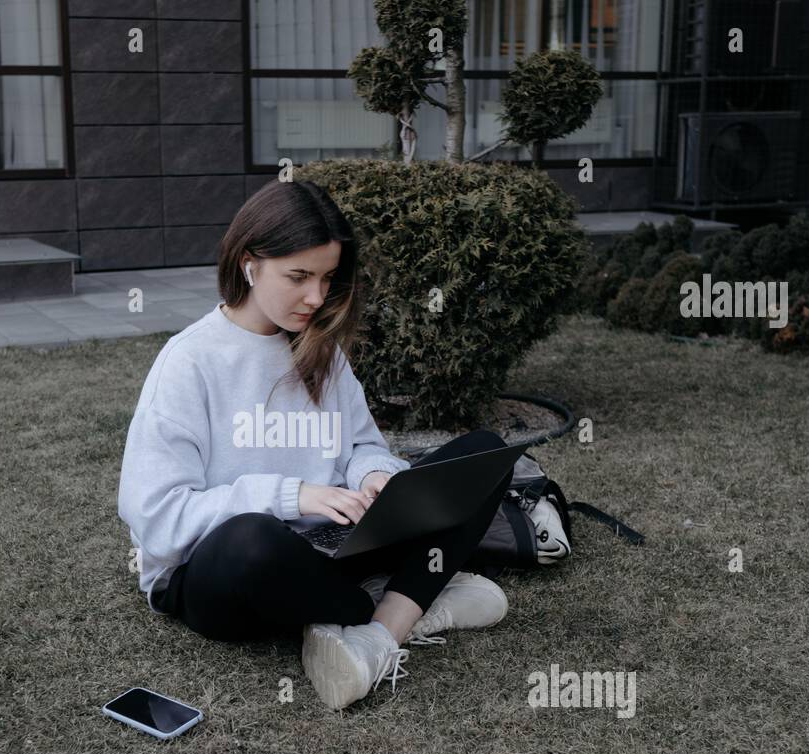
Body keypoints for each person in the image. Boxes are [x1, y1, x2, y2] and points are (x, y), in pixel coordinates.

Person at [118, 180, 514, 710]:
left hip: (333, 546)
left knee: (481, 454)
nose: (317, 297)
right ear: (249, 264)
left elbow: (360, 447)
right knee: (252, 540)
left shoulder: (320, 349)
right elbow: (158, 519)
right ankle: (410, 594)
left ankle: (381, 633)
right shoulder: (188, 361)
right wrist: (291, 494)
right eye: (299, 276)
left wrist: (376, 476)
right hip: (227, 572)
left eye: (328, 278)